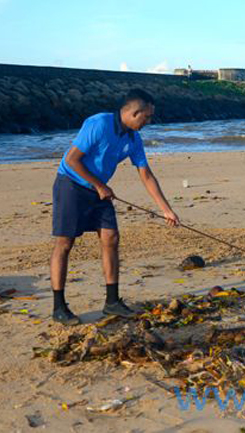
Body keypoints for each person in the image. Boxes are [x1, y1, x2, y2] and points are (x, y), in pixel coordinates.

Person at [50, 89, 180, 325]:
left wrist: (166, 209)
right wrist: (99, 185)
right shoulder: (98, 124)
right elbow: (71, 160)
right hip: (70, 185)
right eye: (147, 117)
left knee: (111, 238)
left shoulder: (133, 139)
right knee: (65, 243)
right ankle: (59, 307)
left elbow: (146, 175)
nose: (149, 122)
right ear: (134, 112)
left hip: (99, 190)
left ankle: (112, 303)